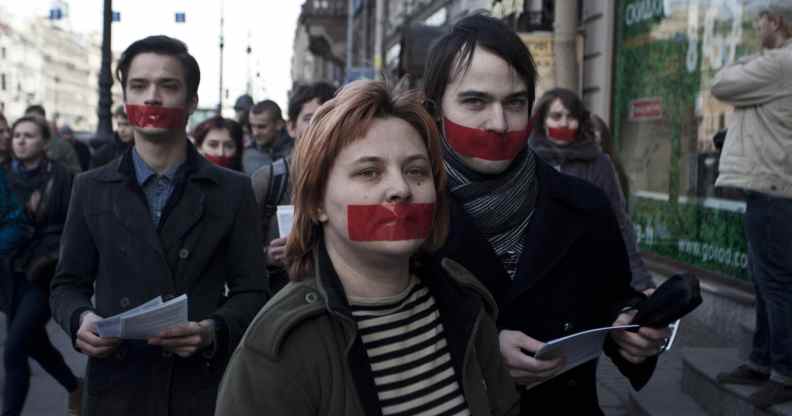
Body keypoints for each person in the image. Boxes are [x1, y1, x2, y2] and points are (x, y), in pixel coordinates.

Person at [215, 79, 519, 416]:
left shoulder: (465, 300)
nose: (401, 189)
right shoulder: (276, 349)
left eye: (416, 171)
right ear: (316, 203)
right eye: (370, 172)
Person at [422, 14, 669, 415]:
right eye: (475, 101)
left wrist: (630, 334)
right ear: (435, 109)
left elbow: (610, 304)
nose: (499, 124)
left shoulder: (585, 207)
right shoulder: (406, 213)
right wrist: (480, 350)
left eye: (515, 102)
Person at [49, 35, 269, 416]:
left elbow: (252, 291)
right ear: (125, 99)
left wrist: (212, 330)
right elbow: (67, 284)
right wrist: (81, 319)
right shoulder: (90, 187)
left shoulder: (231, 191)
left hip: (200, 387)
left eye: (168, 86)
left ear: (191, 102)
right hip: (116, 387)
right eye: (139, 86)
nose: (152, 97)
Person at [712, 2, 792, 409]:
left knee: (776, 283)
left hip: (773, 187)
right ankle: (763, 361)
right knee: (765, 281)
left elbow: (721, 84)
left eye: (761, 18)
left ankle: (784, 372)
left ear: (775, 21)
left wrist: (747, 60)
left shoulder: (779, 63)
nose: (757, 25)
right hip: (771, 184)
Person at [529, 88, 654, 292]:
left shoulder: (599, 164)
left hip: (587, 278)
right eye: (556, 116)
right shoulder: (524, 161)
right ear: (542, 120)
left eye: (571, 117)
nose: (563, 123)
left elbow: (620, 223)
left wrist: (642, 282)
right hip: (537, 279)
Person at [2, 116, 82, 416]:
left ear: (45, 142)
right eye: (17, 135)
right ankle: (75, 386)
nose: (21, 141)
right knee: (31, 342)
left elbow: (73, 227)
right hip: (11, 274)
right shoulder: (5, 176)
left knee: (14, 348)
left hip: (44, 273)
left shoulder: (63, 178)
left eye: (29, 136)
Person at [251, 81, 336, 293]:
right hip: (281, 303)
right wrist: (268, 255)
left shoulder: (354, 179)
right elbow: (236, 252)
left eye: (327, 117)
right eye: (309, 118)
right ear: (291, 127)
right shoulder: (268, 180)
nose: (318, 126)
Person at [24, 105, 82, 175]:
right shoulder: (20, 143)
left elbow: (76, 172)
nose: (31, 124)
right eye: (28, 120)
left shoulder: (62, 146)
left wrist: (56, 169)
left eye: (35, 120)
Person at [242, 100, 292, 175]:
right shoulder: (250, 153)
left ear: (279, 124)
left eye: (261, 127)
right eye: (252, 126)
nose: (255, 133)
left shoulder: (296, 150)